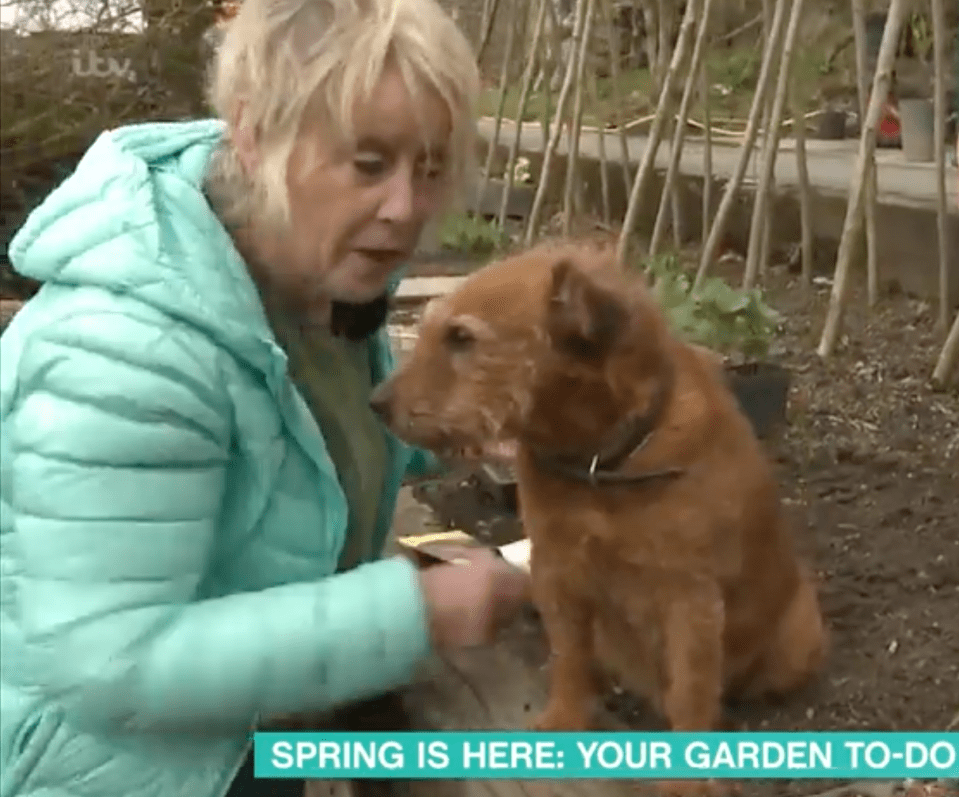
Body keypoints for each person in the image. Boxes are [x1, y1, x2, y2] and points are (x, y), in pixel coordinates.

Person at [0, 0, 531, 795]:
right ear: (251, 133)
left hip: (237, 726)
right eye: (368, 162)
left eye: (428, 168)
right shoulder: (126, 351)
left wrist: (475, 430)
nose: (405, 207)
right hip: (115, 763)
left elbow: (302, 436)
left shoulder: (306, 278)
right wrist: (416, 611)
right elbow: (110, 663)